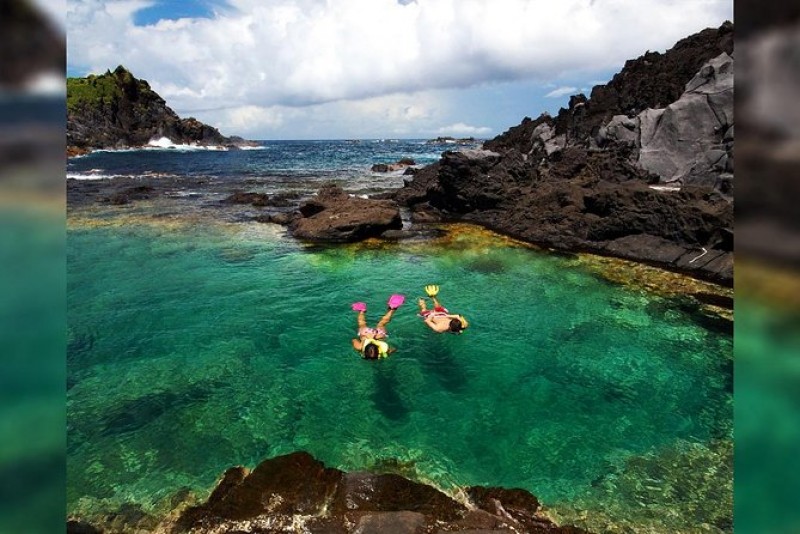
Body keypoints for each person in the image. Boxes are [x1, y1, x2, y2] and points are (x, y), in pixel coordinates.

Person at [351, 294, 405, 359]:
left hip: (379, 334)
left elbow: (393, 349)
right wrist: (364, 341)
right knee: (362, 324)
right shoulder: (359, 347)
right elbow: (354, 340)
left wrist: (389, 352)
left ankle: (393, 308)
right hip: (365, 333)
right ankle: (362, 311)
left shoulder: (385, 349)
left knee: (381, 324)